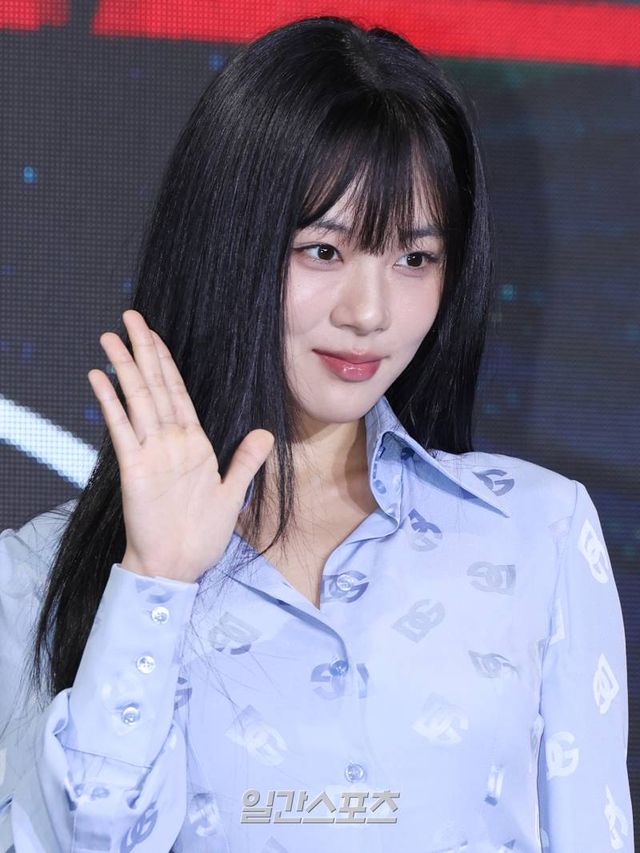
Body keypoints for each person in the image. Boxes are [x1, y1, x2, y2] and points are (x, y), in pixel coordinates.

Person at [0, 14, 633, 853]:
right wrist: (156, 582)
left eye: (414, 259)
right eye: (323, 251)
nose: (369, 312)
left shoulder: (538, 532)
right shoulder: (38, 576)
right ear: (230, 243)